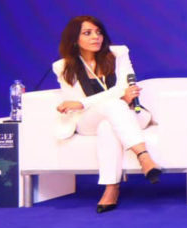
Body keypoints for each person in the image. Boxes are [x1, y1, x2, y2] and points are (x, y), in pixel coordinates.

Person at [53, 15, 162, 213]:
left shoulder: (118, 54)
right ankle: (144, 157)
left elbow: (123, 86)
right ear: (74, 39)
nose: (96, 37)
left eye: (98, 32)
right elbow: (75, 103)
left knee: (108, 124)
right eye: (87, 33)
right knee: (113, 105)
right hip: (88, 120)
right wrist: (114, 99)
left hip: (129, 114)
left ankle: (111, 188)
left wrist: (85, 102)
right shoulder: (63, 67)